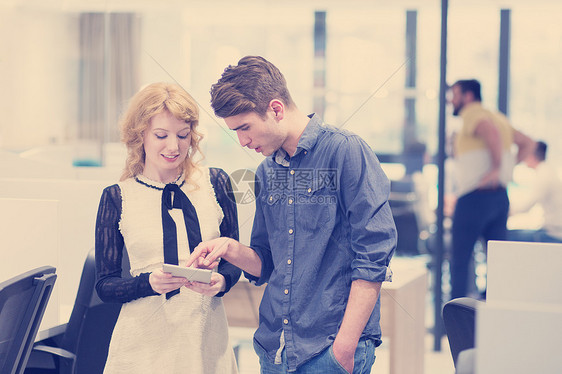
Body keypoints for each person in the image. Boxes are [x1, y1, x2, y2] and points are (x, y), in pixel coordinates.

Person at [187, 56, 396, 374]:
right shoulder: (266, 172)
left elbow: (374, 256)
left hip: (329, 350)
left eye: (245, 128)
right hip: (275, 350)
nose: (242, 142)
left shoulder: (345, 152)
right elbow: (267, 262)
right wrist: (229, 247)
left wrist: (344, 349)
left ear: (276, 109)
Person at [94, 82, 241, 374]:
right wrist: (148, 283)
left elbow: (233, 262)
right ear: (140, 135)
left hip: (206, 344)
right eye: (161, 135)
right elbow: (105, 286)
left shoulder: (217, 183)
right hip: (141, 349)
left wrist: (221, 282)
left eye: (183, 135)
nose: (173, 147)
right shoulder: (117, 197)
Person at [448, 79, 534, 299]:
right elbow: (528, 143)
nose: (451, 100)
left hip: (474, 197)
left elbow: (490, 132)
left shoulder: (473, 114)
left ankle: (453, 325)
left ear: (468, 96)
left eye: (455, 94)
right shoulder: (500, 118)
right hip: (499, 198)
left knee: (460, 262)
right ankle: (493, 317)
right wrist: (506, 168)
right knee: (497, 263)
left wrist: (496, 168)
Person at [508, 141, 562, 243]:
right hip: (554, 230)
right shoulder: (548, 170)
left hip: (555, 234)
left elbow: (526, 205)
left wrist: (506, 211)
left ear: (531, 155)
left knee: (508, 236)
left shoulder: (544, 175)